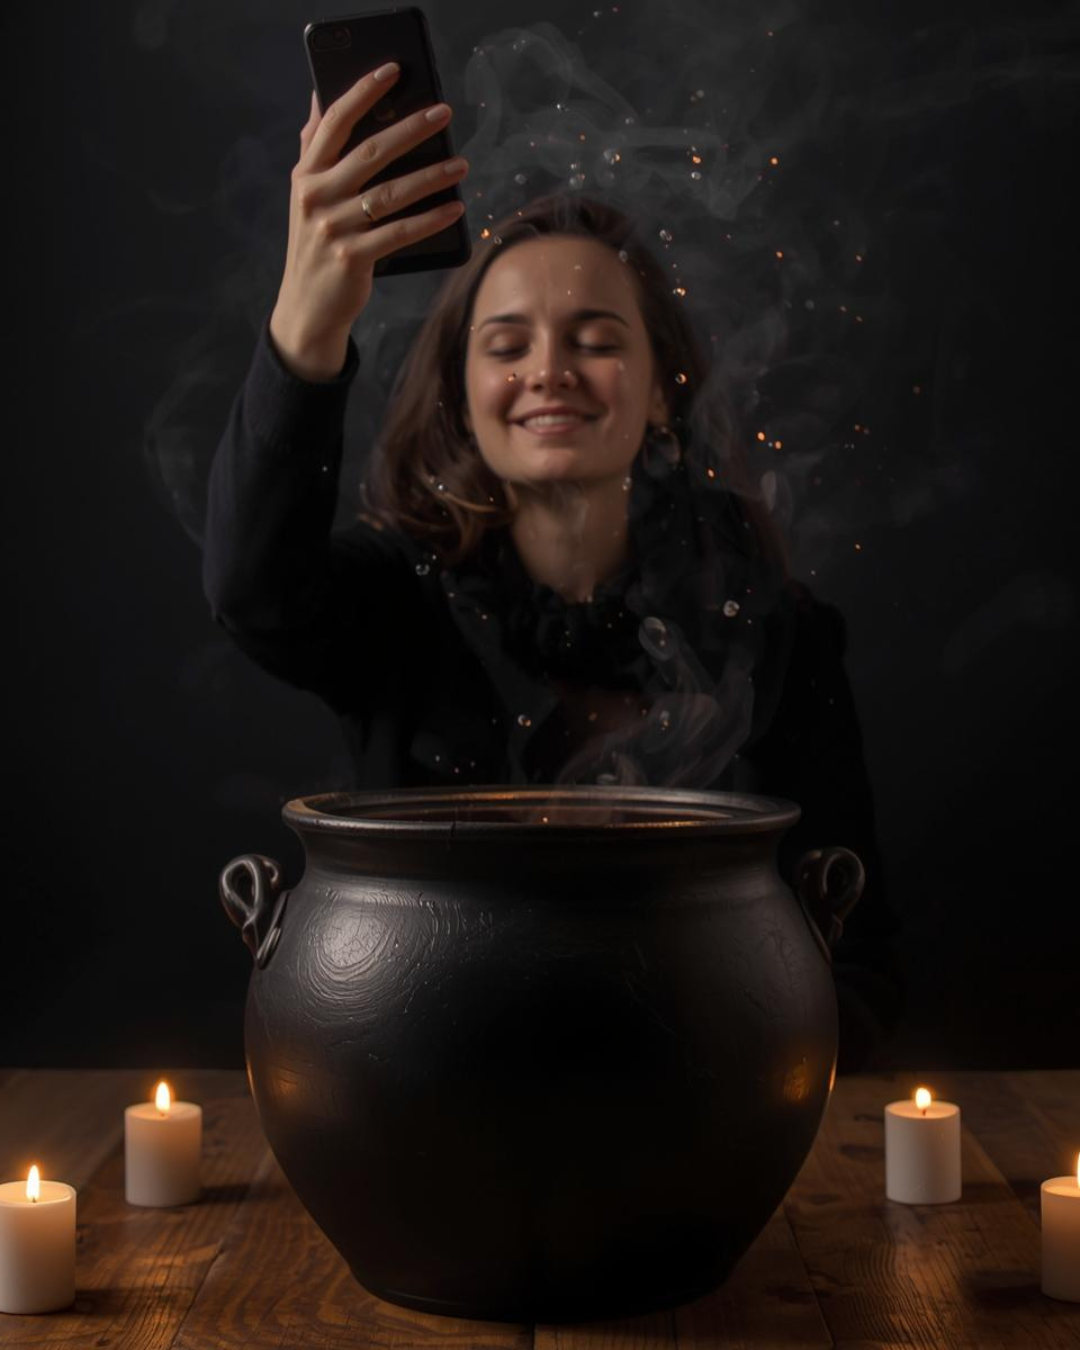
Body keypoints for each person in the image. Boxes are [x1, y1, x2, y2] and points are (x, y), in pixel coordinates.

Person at [203, 67, 904, 1071]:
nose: (547, 372)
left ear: (663, 392)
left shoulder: (776, 633)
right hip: (431, 1102)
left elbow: (857, 955)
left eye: (595, 340)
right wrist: (309, 324)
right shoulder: (394, 607)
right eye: (506, 345)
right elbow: (251, 594)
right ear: (463, 394)